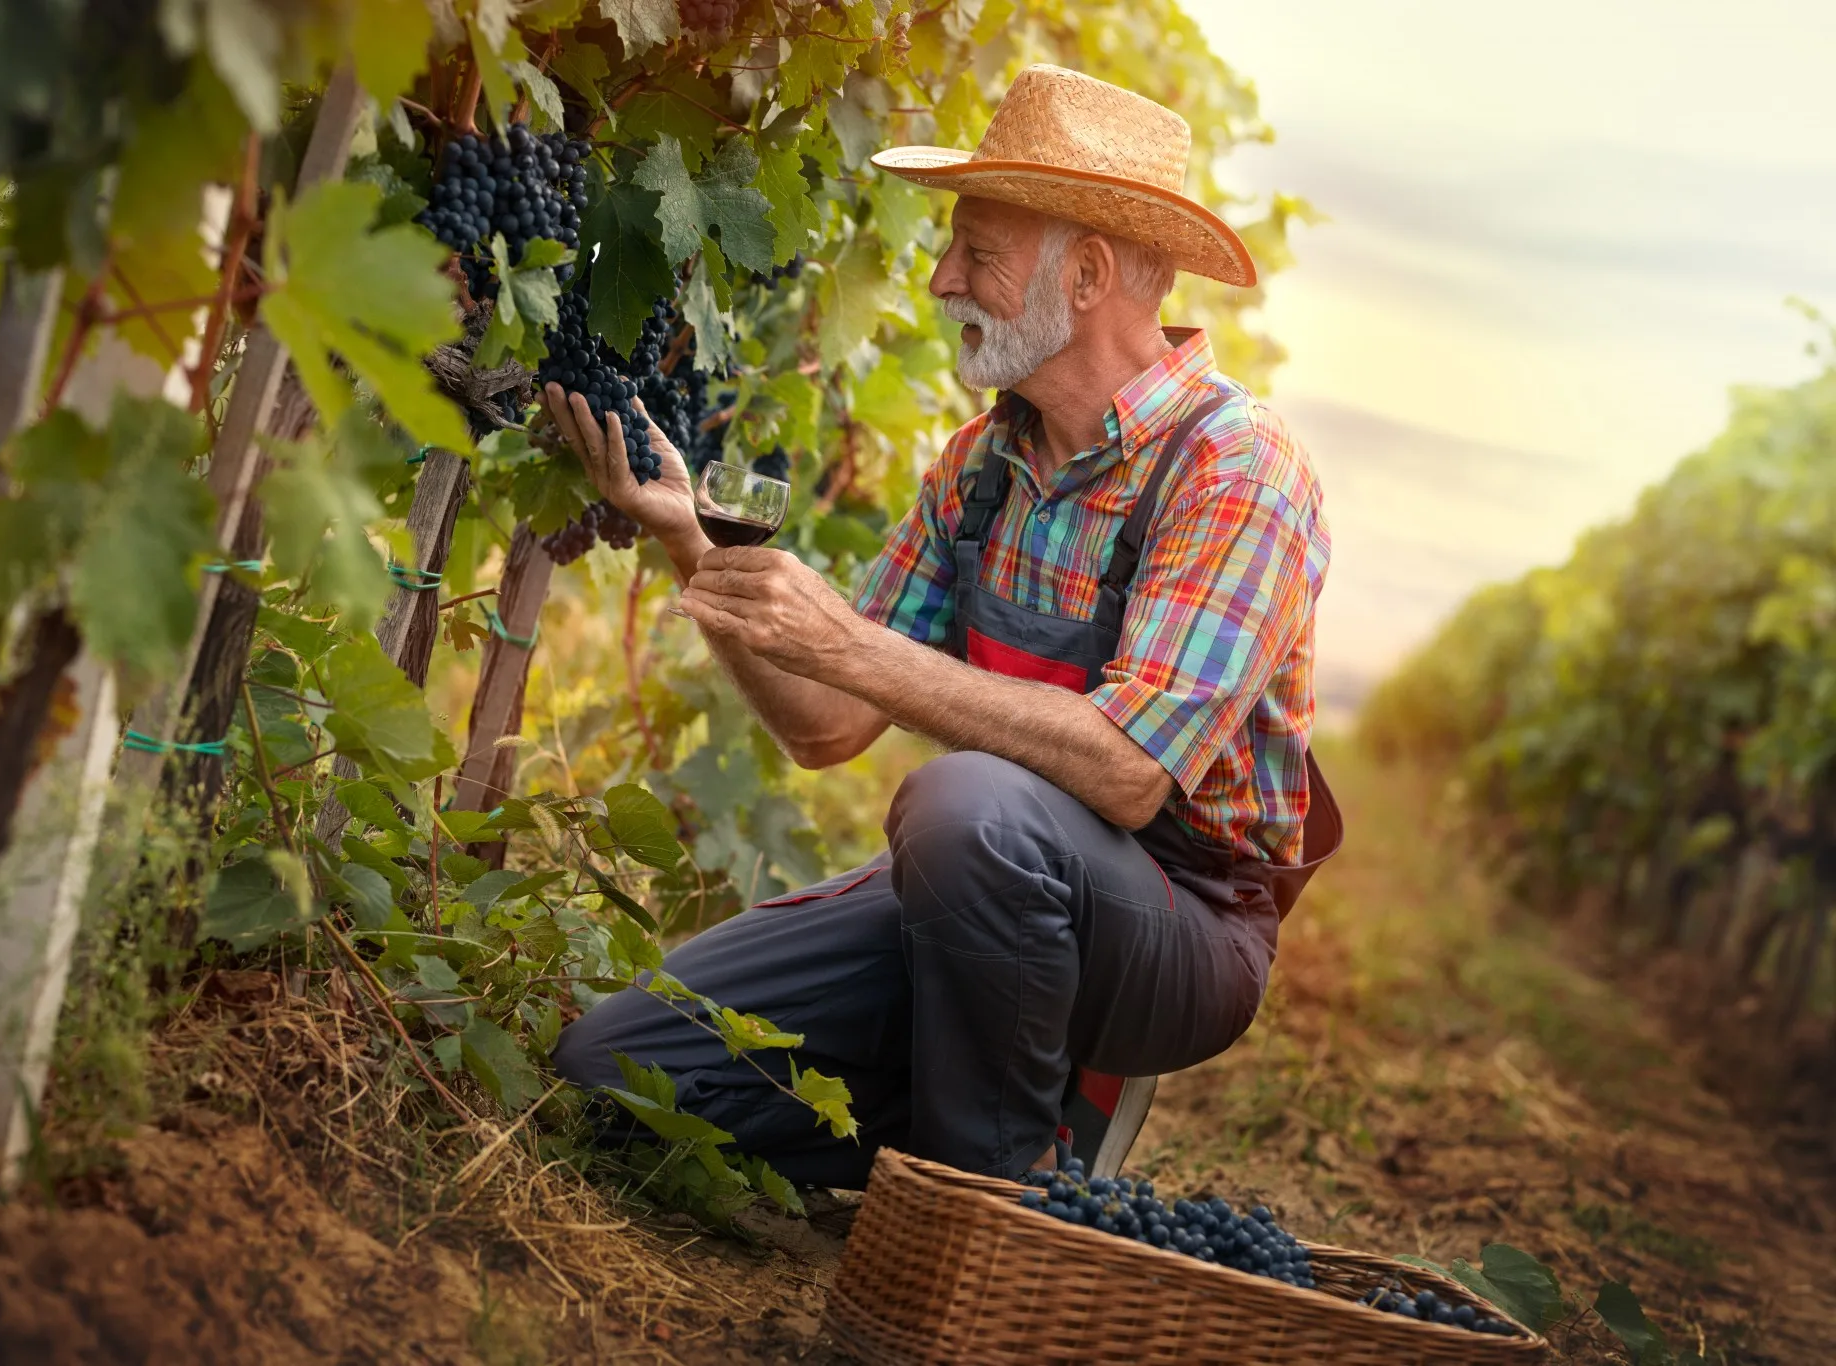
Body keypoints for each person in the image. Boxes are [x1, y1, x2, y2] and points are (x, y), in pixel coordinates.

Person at [542, 64, 1336, 1188]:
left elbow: (1125, 774)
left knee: (960, 804)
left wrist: (855, 643)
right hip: (983, 877)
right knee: (615, 1072)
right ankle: (929, 1119)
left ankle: (993, 1198)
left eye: (976, 253)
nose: (936, 278)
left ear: (1090, 274)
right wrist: (691, 540)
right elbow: (824, 727)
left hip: (1178, 925)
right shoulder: (978, 468)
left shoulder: (1235, 467)